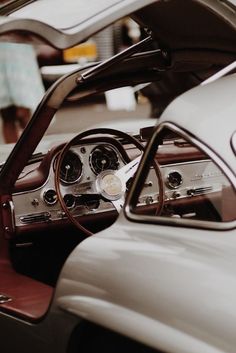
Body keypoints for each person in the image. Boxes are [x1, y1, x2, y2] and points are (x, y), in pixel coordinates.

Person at [0, 42, 45, 143]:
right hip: (3, 56)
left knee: (24, 112)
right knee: (7, 114)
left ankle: (31, 149)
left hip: (18, 53)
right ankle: (13, 154)